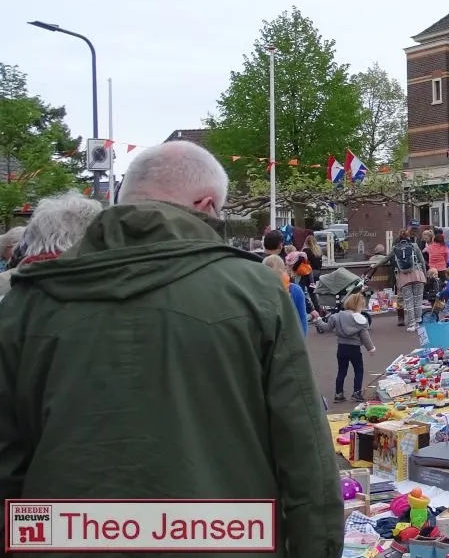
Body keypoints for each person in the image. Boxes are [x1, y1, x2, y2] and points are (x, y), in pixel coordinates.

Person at [0, 140, 341, 555]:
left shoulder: (26, 303)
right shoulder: (253, 291)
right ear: (207, 205)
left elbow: (8, 461)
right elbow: (305, 454)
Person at [315, 292, 377, 402]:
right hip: (354, 349)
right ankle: (356, 393)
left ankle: (339, 394)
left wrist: (318, 320)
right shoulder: (360, 320)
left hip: (342, 347)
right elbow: (365, 336)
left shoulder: (336, 316)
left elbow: (326, 327)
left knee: (342, 371)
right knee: (358, 370)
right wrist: (371, 348)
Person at [263, 254, 311, 337]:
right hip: (291, 338)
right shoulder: (295, 290)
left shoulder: (260, 289)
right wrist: (302, 341)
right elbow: (302, 318)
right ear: (283, 269)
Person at [391, 229, 427, 331]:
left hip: (404, 277)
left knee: (409, 302)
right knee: (418, 300)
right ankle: (418, 322)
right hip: (417, 274)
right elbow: (422, 261)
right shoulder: (414, 246)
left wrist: (374, 265)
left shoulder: (395, 248)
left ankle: (412, 324)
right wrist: (424, 274)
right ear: (408, 237)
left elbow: (386, 259)